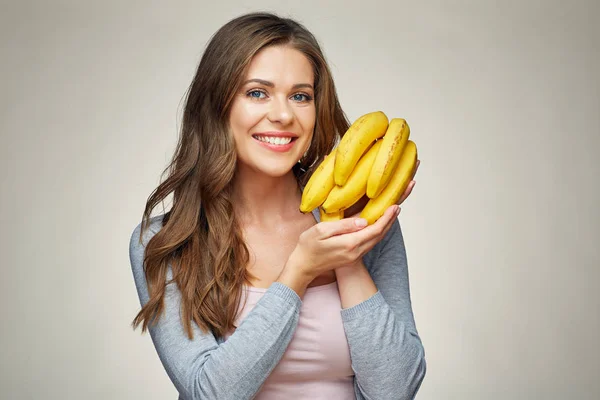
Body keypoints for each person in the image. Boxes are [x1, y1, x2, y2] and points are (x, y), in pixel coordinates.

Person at [129, 11, 426, 400]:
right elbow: (210, 393)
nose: (284, 115)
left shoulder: (361, 220)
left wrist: (347, 255)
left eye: (300, 96)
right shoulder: (166, 241)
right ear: (217, 105)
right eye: (257, 92)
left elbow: (395, 390)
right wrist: (299, 270)